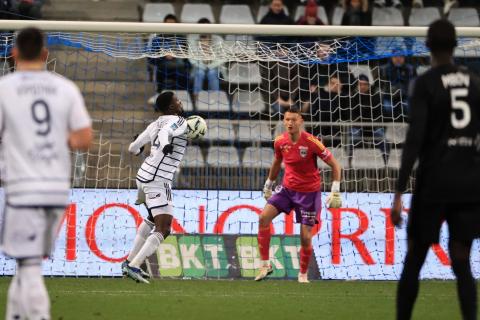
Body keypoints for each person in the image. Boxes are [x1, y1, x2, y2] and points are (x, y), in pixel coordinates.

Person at [0, 27, 92, 319]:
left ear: (13, 54)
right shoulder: (64, 87)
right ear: (45, 54)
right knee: (25, 264)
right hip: (56, 189)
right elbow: (83, 138)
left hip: (23, 187)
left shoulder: (5, 88)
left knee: (29, 266)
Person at [391, 19, 480, 320]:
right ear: (456, 45)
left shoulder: (426, 83)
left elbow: (414, 140)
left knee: (415, 258)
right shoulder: (475, 82)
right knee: (461, 260)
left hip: (434, 182)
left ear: (427, 46)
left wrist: (399, 192)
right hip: (469, 182)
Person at [255, 107, 342, 283]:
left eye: (293, 120)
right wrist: (268, 185)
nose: (289, 123)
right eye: (287, 120)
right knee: (263, 218)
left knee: (305, 236)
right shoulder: (279, 141)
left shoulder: (312, 142)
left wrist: (335, 191)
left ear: (300, 121)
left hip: (309, 193)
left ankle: (302, 274)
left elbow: (335, 165)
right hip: (287, 190)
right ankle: (265, 265)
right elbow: (277, 163)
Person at [122, 91, 188, 284]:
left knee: (152, 217)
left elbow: (132, 148)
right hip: (158, 179)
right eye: (176, 100)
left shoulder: (153, 124)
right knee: (165, 227)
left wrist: (142, 149)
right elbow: (167, 133)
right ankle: (135, 265)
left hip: (142, 177)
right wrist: (166, 145)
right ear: (170, 107)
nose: (180, 101)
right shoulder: (180, 121)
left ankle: (128, 262)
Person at [347, 74, 389, 166]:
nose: (362, 86)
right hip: (358, 126)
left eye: (365, 84)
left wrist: (371, 124)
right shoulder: (353, 97)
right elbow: (352, 116)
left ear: (369, 85)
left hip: (373, 126)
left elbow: (379, 115)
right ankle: (348, 163)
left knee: (382, 137)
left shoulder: (376, 97)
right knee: (353, 137)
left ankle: (386, 164)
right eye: (360, 84)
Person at [147, 14, 190, 96]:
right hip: (163, 66)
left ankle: (182, 97)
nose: (170, 27)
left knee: (184, 73)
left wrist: (177, 55)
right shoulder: (157, 39)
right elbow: (151, 58)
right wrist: (163, 55)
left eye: (172, 25)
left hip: (178, 67)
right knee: (160, 72)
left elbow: (186, 56)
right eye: (168, 25)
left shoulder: (182, 38)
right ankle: (160, 96)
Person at [187, 18, 225, 104]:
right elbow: (191, 58)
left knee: (212, 73)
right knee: (200, 72)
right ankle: (197, 99)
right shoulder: (192, 39)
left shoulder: (218, 39)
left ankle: (216, 99)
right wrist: (204, 66)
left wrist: (210, 65)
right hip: (198, 67)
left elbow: (222, 57)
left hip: (216, 67)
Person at [379, 54, 416, 120]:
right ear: (391, 57)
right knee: (387, 108)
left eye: (401, 56)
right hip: (388, 97)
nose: (398, 58)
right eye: (395, 56)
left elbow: (414, 84)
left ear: (404, 57)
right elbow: (380, 85)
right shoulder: (384, 69)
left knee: (408, 107)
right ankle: (388, 127)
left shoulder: (410, 69)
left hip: (405, 96)